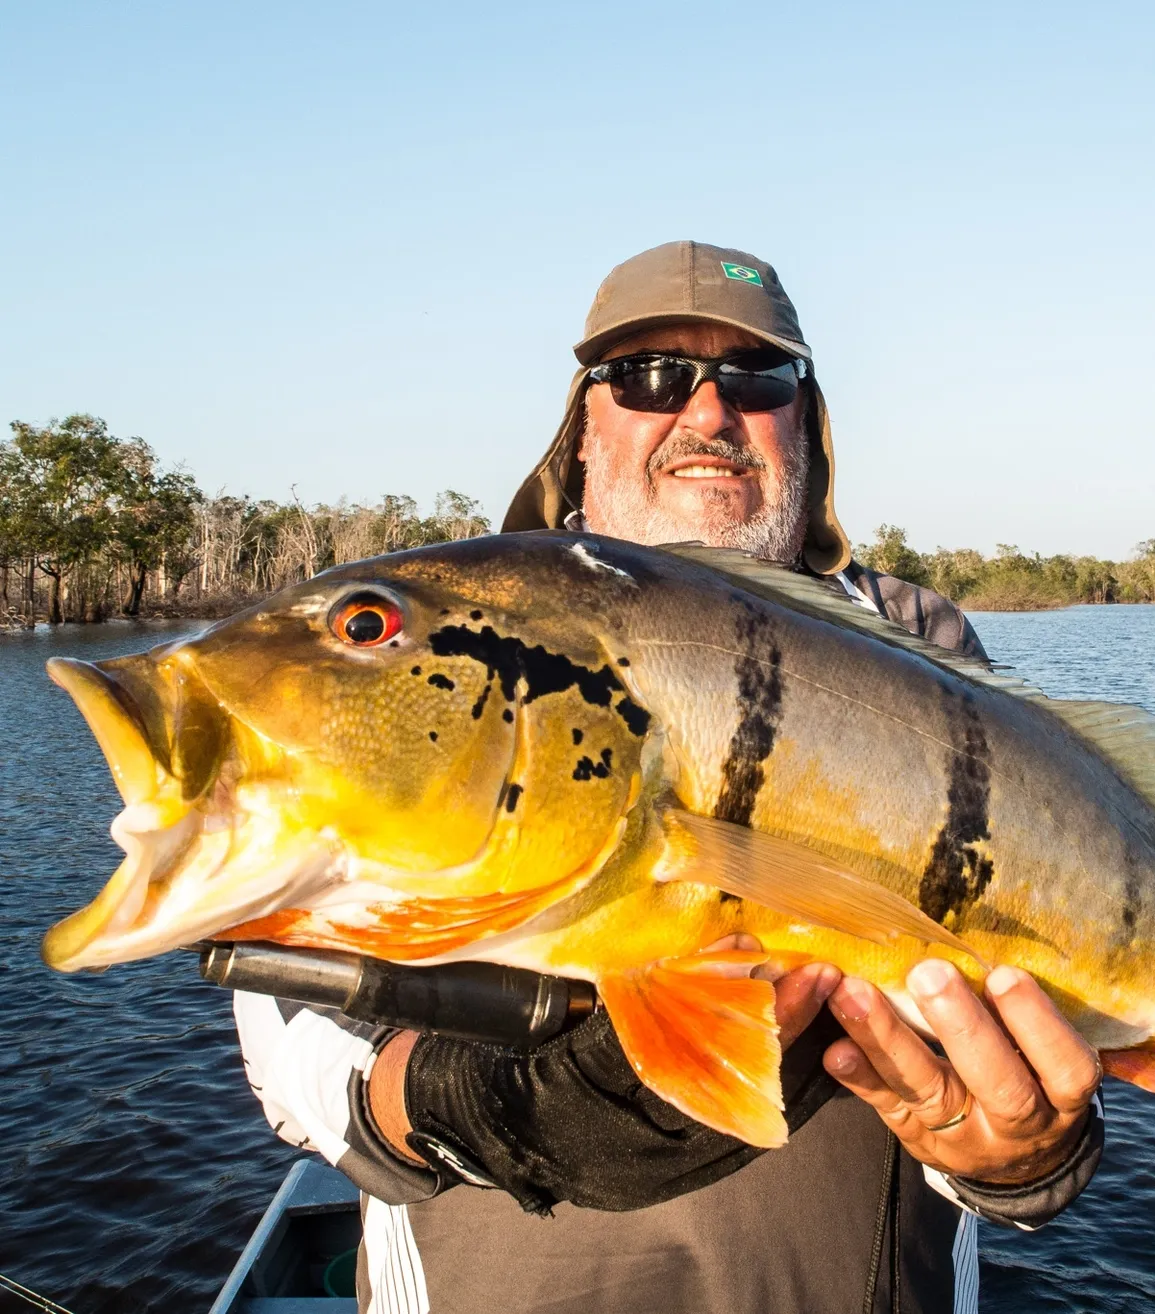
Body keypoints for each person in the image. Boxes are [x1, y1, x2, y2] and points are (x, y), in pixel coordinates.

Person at [234, 241, 1106, 1314]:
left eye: (756, 378)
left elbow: (1040, 1023)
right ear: (582, 426)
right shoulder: (441, 639)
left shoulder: (916, 649)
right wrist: (460, 1107)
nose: (707, 414)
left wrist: (1021, 1164)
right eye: (648, 376)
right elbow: (288, 1029)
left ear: (805, 422)